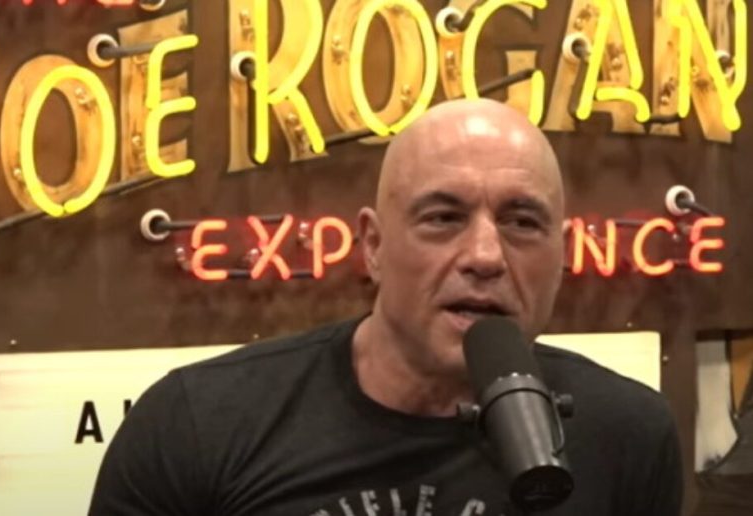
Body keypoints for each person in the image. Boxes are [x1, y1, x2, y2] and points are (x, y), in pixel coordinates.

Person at [89, 99, 683, 515]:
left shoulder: (629, 434)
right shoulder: (196, 424)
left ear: (562, 253)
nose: (485, 255)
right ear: (373, 246)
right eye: (443, 218)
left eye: (522, 222)